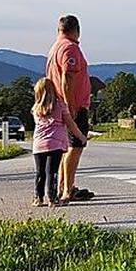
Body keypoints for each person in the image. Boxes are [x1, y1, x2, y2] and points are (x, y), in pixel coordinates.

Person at [46, 14, 94, 203]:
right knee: (75, 147)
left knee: (66, 147)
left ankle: (64, 186)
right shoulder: (70, 48)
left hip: (58, 104)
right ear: (77, 30)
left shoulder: (55, 48)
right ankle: (67, 190)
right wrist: (71, 106)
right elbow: (68, 78)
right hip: (73, 106)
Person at [30, 78, 87, 207]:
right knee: (52, 172)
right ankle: (52, 198)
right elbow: (70, 124)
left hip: (39, 144)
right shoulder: (60, 105)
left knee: (40, 172)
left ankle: (38, 198)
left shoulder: (35, 108)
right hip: (55, 144)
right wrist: (81, 136)